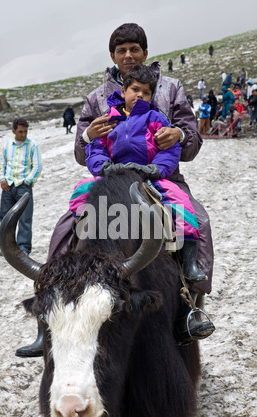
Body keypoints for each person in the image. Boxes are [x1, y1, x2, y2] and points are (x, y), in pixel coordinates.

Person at [23, 23, 213, 358]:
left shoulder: (170, 88)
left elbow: (192, 141)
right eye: (121, 50)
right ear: (112, 55)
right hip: (109, 182)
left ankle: (190, 309)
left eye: (134, 49)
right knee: (65, 229)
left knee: (198, 220)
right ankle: (48, 314)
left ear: (145, 52)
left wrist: (180, 137)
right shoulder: (97, 98)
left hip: (160, 177)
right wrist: (87, 137)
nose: (128, 55)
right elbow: (83, 155)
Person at [70, 65, 214, 341]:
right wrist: (102, 165)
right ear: (122, 90)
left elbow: (173, 148)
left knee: (182, 206)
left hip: (150, 178)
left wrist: (157, 168)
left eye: (146, 92)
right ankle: (62, 286)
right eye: (135, 90)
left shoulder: (158, 114)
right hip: (111, 179)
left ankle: (190, 279)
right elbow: (92, 149)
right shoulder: (104, 113)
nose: (140, 95)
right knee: (76, 204)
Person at [0, 118, 42, 257]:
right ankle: (6, 248)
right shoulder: (7, 145)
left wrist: (27, 181)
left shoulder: (32, 145)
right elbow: (2, 164)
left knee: (25, 218)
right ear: (13, 131)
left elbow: (37, 166)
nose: (23, 134)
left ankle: (24, 248)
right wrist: (2, 178)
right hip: (8, 187)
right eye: (20, 131)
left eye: (25, 131)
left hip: (23, 187)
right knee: (5, 218)